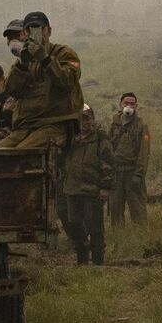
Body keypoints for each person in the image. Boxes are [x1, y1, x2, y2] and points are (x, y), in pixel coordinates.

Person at [0, 11, 83, 151]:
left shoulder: (64, 53)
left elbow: (67, 81)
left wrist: (45, 59)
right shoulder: (25, 59)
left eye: (39, 29)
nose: (35, 34)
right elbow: (11, 90)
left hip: (56, 122)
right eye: (30, 30)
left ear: (48, 31)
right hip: (26, 125)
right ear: (24, 34)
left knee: (22, 154)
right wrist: (22, 64)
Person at [58, 105, 110, 264]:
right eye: (81, 119)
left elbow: (107, 161)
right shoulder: (70, 138)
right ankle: (82, 255)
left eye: (87, 118)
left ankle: (98, 262)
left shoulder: (100, 137)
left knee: (94, 226)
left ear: (93, 119)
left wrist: (105, 187)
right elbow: (61, 161)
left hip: (92, 189)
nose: (85, 123)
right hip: (72, 188)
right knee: (73, 224)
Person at [105, 91, 152, 226]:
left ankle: (141, 240)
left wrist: (138, 175)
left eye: (132, 104)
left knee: (138, 211)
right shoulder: (114, 124)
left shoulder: (141, 126)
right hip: (116, 174)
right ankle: (119, 239)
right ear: (120, 104)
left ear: (136, 106)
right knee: (115, 210)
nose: (129, 106)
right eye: (126, 103)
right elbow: (107, 148)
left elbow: (144, 153)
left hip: (133, 173)